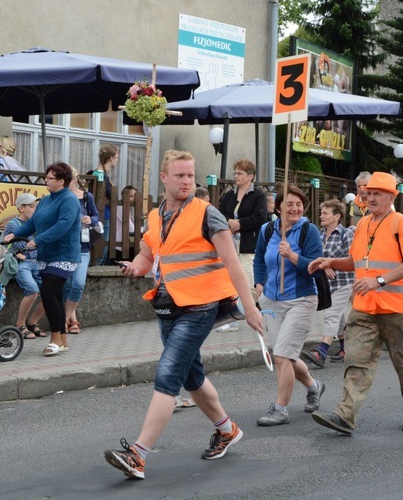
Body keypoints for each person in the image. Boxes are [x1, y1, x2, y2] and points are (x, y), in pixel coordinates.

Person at [103, 150, 263, 480]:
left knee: (169, 374)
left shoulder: (208, 214)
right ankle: (227, 430)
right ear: (164, 178)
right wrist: (135, 267)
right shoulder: (156, 216)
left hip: (201, 308)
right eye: (180, 175)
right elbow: (149, 256)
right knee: (191, 376)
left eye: (190, 175)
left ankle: (138, 454)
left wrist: (249, 308)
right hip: (168, 307)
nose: (187, 181)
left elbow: (233, 264)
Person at [308, 171, 403, 435]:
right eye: (369, 193)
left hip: (397, 310)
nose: (370, 197)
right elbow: (356, 261)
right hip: (364, 307)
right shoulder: (363, 224)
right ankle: (344, 416)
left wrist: (380, 281)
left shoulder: (402, 224)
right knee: (356, 362)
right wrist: (331, 262)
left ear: (391, 197)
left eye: (377, 194)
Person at [253, 186, 324, 426]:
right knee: (286, 356)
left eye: (299, 204)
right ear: (278, 207)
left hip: (301, 300)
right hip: (271, 301)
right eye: (290, 204)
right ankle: (315, 387)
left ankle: (280, 409)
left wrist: (292, 255)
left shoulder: (308, 231)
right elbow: (259, 260)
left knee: (283, 355)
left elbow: (316, 265)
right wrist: (259, 283)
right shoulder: (266, 230)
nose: (295, 208)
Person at [3, 162, 81, 357]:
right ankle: (62, 340)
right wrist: (15, 235)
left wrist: (38, 241)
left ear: (62, 181)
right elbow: (33, 223)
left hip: (64, 254)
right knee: (55, 296)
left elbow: (63, 226)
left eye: (50, 178)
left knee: (47, 293)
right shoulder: (46, 200)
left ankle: (55, 338)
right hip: (47, 255)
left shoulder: (69, 200)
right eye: (46, 177)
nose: (46, 180)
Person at [300, 199, 354, 368]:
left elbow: (353, 259)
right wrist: (324, 267)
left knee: (331, 315)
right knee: (338, 318)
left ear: (337, 216)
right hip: (326, 285)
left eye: (325, 213)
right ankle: (345, 349)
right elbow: (315, 257)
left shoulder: (346, 234)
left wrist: (332, 263)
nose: (321, 216)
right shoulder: (319, 235)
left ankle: (321, 352)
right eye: (321, 212)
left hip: (344, 282)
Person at [217, 159, 268, 332]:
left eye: (240, 173)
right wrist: (228, 221)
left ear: (250, 177)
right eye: (235, 173)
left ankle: (264, 312)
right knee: (230, 282)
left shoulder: (258, 195)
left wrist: (240, 223)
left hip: (248, 245)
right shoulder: (230, 195)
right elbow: (219, 214)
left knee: (248, 282)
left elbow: (261, 217)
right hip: (230, 245)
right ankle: (233, 319)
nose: (236, 176)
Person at [0, 193, 47, 340]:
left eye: (36, 207)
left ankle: (33, 322)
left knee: (52, 291)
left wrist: (33, 252)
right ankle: (20, 325)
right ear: (21, 208)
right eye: (31, 206)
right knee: (32, 290)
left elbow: (41, 246)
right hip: (20, 264)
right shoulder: (14, 224)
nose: (35, 210)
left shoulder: (38, 224)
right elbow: (20, 247)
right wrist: (32, 252)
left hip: (36, 263)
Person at [63, 167, 100, 335]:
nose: (65, 183)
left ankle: (64, 318)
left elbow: (96, 216)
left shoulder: (86, 197)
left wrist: (90, 219)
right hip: (65, 246)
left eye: (68, 179)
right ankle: (72, 321)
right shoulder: (61, 197)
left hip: (83, 246)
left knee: (78, 284)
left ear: (75, 179)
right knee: (67, 285)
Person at [88, 145, 118, 265]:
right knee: (101, 247)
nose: (117, 160)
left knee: (102, 246)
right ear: (110, 158)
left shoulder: (100, 173)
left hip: (103, 213)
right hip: (102, 214)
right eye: (116, 157)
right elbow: (109, 195)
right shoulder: (100, 174)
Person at [115, 185, 137, 262]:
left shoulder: (126, 208)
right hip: (120, 245)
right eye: (131, 196)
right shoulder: (121, 208)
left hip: (123, 244)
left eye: (134, 196)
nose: (133, 198)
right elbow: (131, 228)